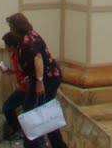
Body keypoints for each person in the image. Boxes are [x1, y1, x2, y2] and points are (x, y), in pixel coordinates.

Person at [6, 12, 67, 148]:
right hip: (48, 77)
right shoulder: (30, 35)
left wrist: (39, 82)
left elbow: (38, 59)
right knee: (44, 113)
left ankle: (34, 145)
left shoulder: (28, 41)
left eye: (11, 27)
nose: (11, 30)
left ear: (17, 27)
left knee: (32, 111)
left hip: (46, 79)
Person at [1, 31, 28, 141]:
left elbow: (26, 71)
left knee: (7, 107)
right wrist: (10, 71)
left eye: (6, 45)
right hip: (23, 88)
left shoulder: (21, 56)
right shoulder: (15, 55)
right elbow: (19, 71)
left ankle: (18, 131)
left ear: (11, 45)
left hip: (25, 89)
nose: (5, 47)